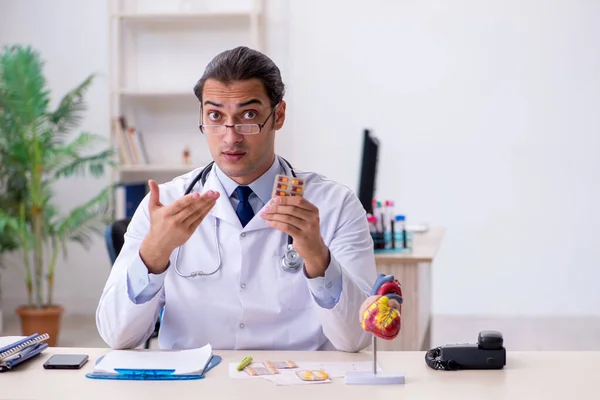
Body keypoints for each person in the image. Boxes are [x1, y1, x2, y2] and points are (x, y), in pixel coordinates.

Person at [96, 46, 380, 352]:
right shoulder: (164, 203)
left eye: (248, 115)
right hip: (194, 384)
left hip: (299, 385)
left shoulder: (335, 204)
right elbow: (117, 336)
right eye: (216, 116)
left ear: (278, 115)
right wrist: (153, 253)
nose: (230, 137)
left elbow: (356, 339)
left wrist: (317, 256)